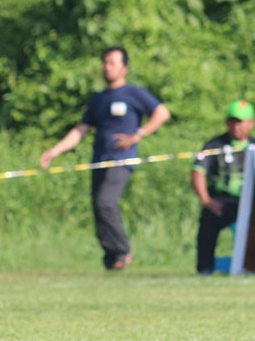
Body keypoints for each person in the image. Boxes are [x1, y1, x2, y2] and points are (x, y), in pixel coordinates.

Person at [39, 46, 170, 270]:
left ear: (124, 68)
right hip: (99, 159)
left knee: (105, 203)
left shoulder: (133, 93)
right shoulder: (99, 99)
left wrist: (137, 135)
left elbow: (162, 113)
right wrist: (55, 150)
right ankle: (112, 259)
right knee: (97, 207)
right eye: (105, 62)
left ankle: (123, 251)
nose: (106, 67)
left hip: (121, 160)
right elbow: (81, 130)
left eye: (112, 63)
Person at [191, 99, 255, 275]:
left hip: (252, 203)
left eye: (240, 121)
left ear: (251, 123)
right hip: (222, 201)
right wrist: (206, 200)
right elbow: (198, 171)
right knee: (208, 221)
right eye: (232, 121)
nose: (235, 126)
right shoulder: (214, 145)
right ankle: (205, 268)